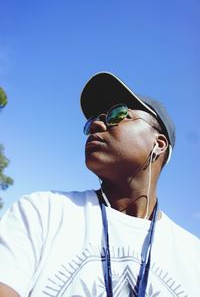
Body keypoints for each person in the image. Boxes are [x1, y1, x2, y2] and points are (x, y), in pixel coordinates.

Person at [0, 72, 199, 297]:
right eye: (91, 121)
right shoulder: (41, 212)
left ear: (159, 144)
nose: (95, 124)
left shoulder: (193, 256)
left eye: (117, 114)